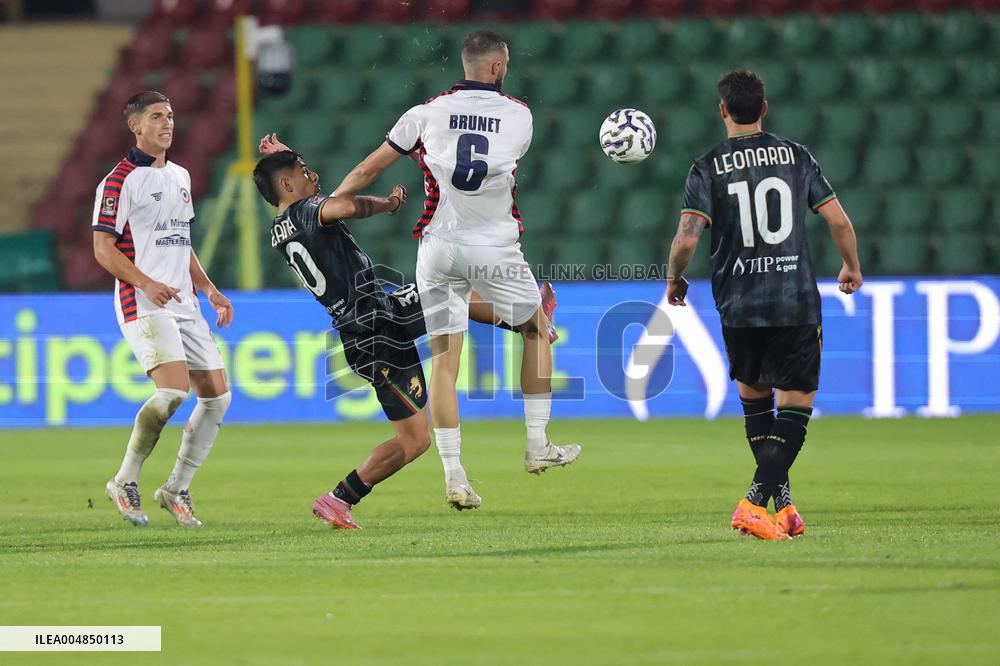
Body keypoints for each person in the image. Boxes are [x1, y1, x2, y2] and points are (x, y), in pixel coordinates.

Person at [326, 30, 580, 511]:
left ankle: (455, 476)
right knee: (536, 329)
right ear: (499, 67)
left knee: (445, 360)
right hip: (495, 246)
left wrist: (331, 207)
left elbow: (368, 169)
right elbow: (499, 167)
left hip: (437, 247)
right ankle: (537, 445)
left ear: (465, 65)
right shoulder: (520, 116)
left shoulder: (424, 113)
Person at [253, 149, 553, 526]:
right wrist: (387, 203)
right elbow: (343, 207)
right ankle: (338, 498)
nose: (313, 175)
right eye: (303, 171)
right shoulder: (306, 212)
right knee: (415, 441)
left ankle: (528, 319)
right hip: (371, 334)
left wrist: (282, 153)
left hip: (377, 314)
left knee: (443, 291)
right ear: (286, 184)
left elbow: (312, 201)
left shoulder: (282, 224)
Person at [666, 70, 863, 540]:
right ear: (764, 108)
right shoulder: (795, 156)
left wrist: (674, 279)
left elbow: (687, 239)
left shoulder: (706, 166)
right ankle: (754, 503)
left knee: (757, 406)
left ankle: (785, 507)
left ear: (722, 111)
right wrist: (851, 264)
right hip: (793, 300)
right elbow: (837, 218)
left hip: (738, 303)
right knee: (795, 409)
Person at [93, 91, 233, 528]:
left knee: (218, 399)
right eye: (156, 117)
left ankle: (176, 488)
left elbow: (180, 241)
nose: (167, 123)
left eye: (170, 115)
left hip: (185, 303)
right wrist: (146, 282)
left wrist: (209, 289)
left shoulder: (181, 176)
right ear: (135, 126)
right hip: (142, 300)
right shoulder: (118, 181)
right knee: (173, 392)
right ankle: (124, 480)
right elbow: (102, 249)